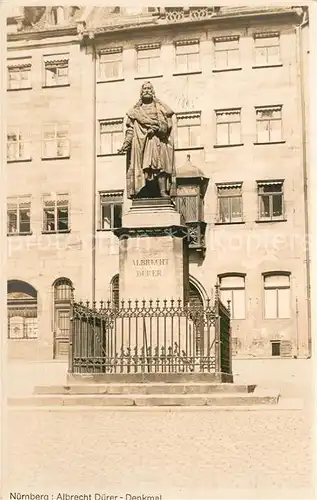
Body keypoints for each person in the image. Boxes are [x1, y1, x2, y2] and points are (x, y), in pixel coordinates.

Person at [118, 81, 176, 199]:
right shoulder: (135, 111)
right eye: (144, 89)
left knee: (160, 167)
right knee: (145, 168)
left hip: (157, 140)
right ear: (141, 92)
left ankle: (162, 191)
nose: (147, 90)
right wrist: (126, 144)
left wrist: (156, 129)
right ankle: (145, 191)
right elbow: (130, 130)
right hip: (140, 145)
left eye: (149, 88)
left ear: (153, 92)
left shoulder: (159, 108)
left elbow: (167, 125)